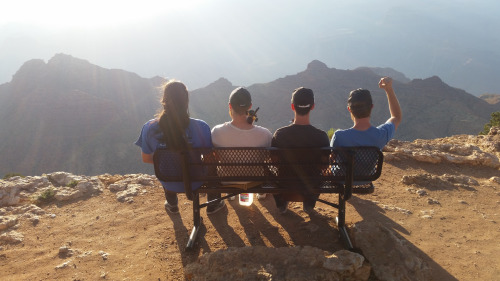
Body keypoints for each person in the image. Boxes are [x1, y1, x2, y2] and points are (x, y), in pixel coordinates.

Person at [135, 80, 225, 215]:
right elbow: (209, 161)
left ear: (164, 100)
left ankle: (172, 204)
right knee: (212, 164)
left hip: (168, 181)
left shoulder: (149, 128)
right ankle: (213, 203)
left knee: (166, 163)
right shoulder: (201, 127)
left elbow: (146, 158)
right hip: (196, 181)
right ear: (186, 101)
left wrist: (171, 161)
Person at [271, 87, 329, 214]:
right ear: (312, 106)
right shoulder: (321, 136)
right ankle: (309, 202)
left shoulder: (280, 134)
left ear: (293, 106)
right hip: (311, 186)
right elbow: (324, 166)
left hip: (284, 184)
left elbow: (274, 161)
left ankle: (281, 202)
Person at [211, 87, 272, 200]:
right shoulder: (265, 134)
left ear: (230, 106)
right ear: (250, 106)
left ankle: (231, 193)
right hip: (255, 181)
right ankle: (260, 193)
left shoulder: (216, 132)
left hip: (227, 181)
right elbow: (267, 157)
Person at [331, 77, 402, 149]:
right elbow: (396, 117)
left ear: (349, 109)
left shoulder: (339, 137)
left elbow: (331, 157)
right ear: (371, 107)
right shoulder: (381, 135)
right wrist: (388, 89)